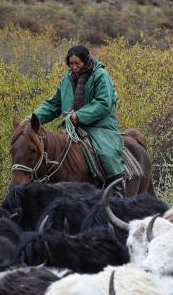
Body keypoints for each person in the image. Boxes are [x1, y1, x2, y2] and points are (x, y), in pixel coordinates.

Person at [29, 45, 125, 190]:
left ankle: (117, 190)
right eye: (71, 63)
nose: (73, 67)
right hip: (70, 129)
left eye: (77, 63)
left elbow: (104, 102)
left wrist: (79, 116)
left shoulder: (100, 75)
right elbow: (52, 105)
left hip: (99, 126)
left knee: (106, 154)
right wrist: (30, 119)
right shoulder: (66, 80)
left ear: (85, 61)